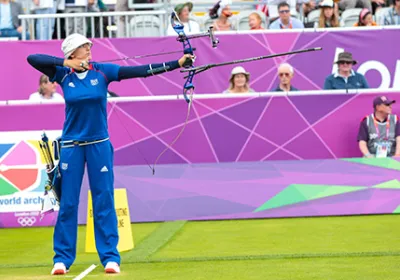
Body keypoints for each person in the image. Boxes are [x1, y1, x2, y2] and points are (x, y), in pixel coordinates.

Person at [26, 33, 193, 275]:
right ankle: (61, 259)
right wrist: (66, 64)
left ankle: (110, 257)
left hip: (99, 145)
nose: (89, 49)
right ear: (73, 53)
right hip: (72, 145)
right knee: (69, 203)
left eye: (89, 46)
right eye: (84, 47)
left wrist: (177, 64)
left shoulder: (102, 71)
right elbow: (33, 58)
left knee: (103, 199)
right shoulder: (63, 74)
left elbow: (141, 71)